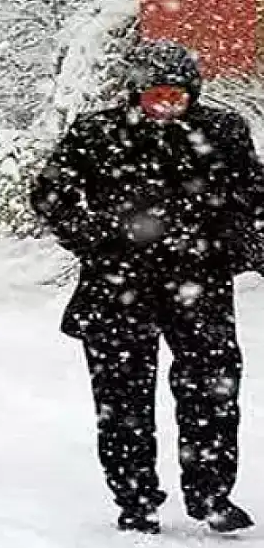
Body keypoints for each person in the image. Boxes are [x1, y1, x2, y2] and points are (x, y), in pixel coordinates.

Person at [31, 40, 260, 535]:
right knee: (122, 400)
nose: (166, 106)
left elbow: (252, 194)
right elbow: (49, 194)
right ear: (135, 94)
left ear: (193, 94)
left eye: (177, 96)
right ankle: (135, 499)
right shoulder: (96, 133)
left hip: (200, 282)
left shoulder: (222, 132)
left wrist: (241, 241)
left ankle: (212, 495)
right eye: (156, 95)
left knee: (213, 390)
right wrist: (92, 237)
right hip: (117, 286)